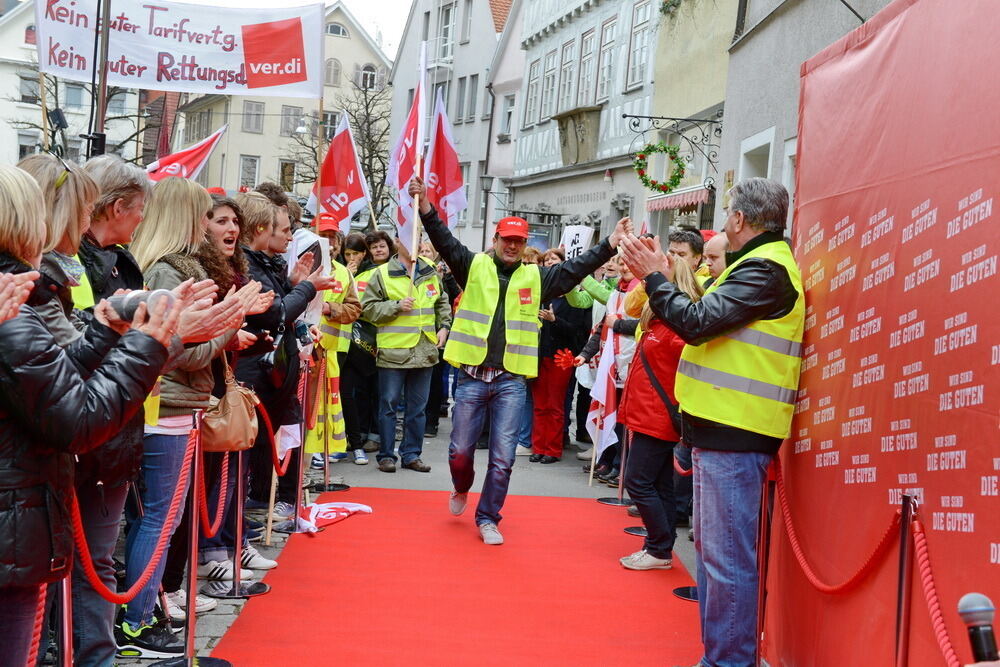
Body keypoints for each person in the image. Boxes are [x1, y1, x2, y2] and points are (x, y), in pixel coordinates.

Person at [620, 177, 804, 667]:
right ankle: (721, 657)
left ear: (741, 220)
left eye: (727, 216)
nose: (723, 224)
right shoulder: (755, 266)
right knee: (718, 558)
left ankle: (727, 662)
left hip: (735, 432)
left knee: (725, 563)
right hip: (722, 429)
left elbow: (697, 322)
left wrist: (656, 277)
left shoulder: (765, 269)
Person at [0, 164, 176, 666]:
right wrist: (146, 347)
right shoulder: (15, 304)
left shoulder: (19, 299)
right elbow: (75, 415)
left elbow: (47, 376)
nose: (80, 225)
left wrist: (104, 330)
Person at [409, 176, 632, 546]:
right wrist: (427, 207)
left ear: (524, 244)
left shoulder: (538, 277)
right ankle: (461, 486)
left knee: (502, 457)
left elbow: (577, 269)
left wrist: (609, 243)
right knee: (460, 451)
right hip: (471, 375)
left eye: (518, 241)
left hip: (511, 379)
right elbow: (444, 240)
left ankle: (489, 517)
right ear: (495, 240)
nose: (512, 246)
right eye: (506, 239)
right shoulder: (472, 265)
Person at [120, 177, 257, 657]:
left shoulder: (177, 266)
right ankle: (136, 622)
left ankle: (146, 610)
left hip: (176, 406)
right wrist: (229, 323)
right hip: (167, 406)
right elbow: (180, 354)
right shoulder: (166, 271)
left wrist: (222, 325)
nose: (211, 225)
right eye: (205, 215)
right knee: (158, 518)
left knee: (162, 517)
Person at [236, 192, 338, 520]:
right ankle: (252, 508)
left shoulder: (269, 264)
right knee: (255, 445)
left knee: (283, 435)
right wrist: (305, 287)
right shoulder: (248, 265)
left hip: (277, 370)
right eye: (283, 230)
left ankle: (272, 499)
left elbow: (283, 315)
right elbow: (275, 314)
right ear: (261, 229)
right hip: (257, 371)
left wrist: (294, 286)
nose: (290, 236)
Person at [617, 259, 704, 570]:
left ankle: (657, 546)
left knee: (638, 481)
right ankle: (661, 548)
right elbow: (632, 305)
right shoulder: (658, 323)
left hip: (658, 416)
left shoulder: (674, 330)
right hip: (648, 413)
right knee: (659, 483)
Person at [361, 235, 451, 473]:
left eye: (419, 237)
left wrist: (444, 326)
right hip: (394, 351)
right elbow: (367, 309)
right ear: (398, 241)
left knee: (417, 408)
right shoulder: (382, 274)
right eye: (411, 237)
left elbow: (441, 301)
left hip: (425, 350)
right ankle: (386, 455)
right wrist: (396, 306)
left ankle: (411, 454)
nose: (417, 243)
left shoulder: (429, 269)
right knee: (389, 405)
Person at [529, 248, 578, 463]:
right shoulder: (539, 296)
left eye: (553, 260)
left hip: (561, 357)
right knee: (539, 405)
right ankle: (538, 447)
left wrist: (554, 320)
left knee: (555, 406)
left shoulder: (573, 299)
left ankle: (552, 449)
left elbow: (577, 333)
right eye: (546, 260)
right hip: (540, 356)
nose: (549, 263)